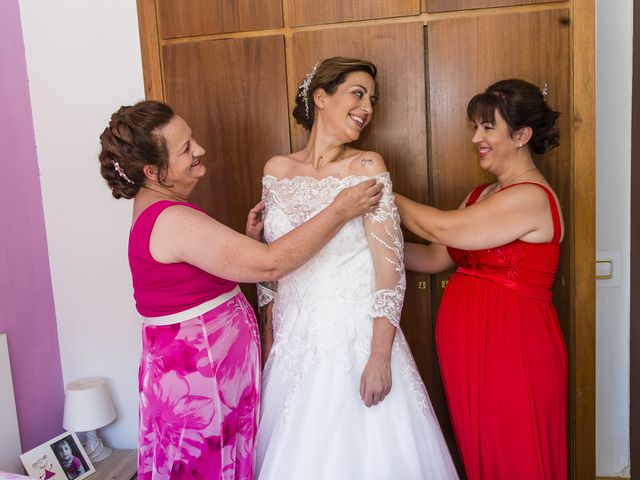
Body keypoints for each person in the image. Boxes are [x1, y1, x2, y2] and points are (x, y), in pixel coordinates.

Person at [97, 100, 382, 479]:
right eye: (185, 149)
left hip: (201, 380)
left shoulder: (159, 209)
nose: (199, 150)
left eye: (191, 138)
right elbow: (271, 263)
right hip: (201, 388)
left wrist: (244, 242)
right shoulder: (171, 218)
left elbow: (193, 278)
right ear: (153, 170)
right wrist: (339, 210)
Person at [251, 57, 458, 479]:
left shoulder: (366, 167)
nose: (368, 107)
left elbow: (390, 270)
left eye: (373, 99)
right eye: (358, 94)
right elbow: (275, 269)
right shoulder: (276, 170)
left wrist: (379, 357)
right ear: (321, 98)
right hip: (293, 345)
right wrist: (272, 342)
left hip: (355, 339)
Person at [396, 79, 567, 480]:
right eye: (476, 126)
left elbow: (443, 230)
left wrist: (378, 188)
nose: (476, 138)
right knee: (480, 451)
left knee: (515, 450)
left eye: (488, 127)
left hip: (515, 347)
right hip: (469, 347)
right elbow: (438, 256)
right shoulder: (479, 195)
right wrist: (364, 250)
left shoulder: (531, 197)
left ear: (522, 135)